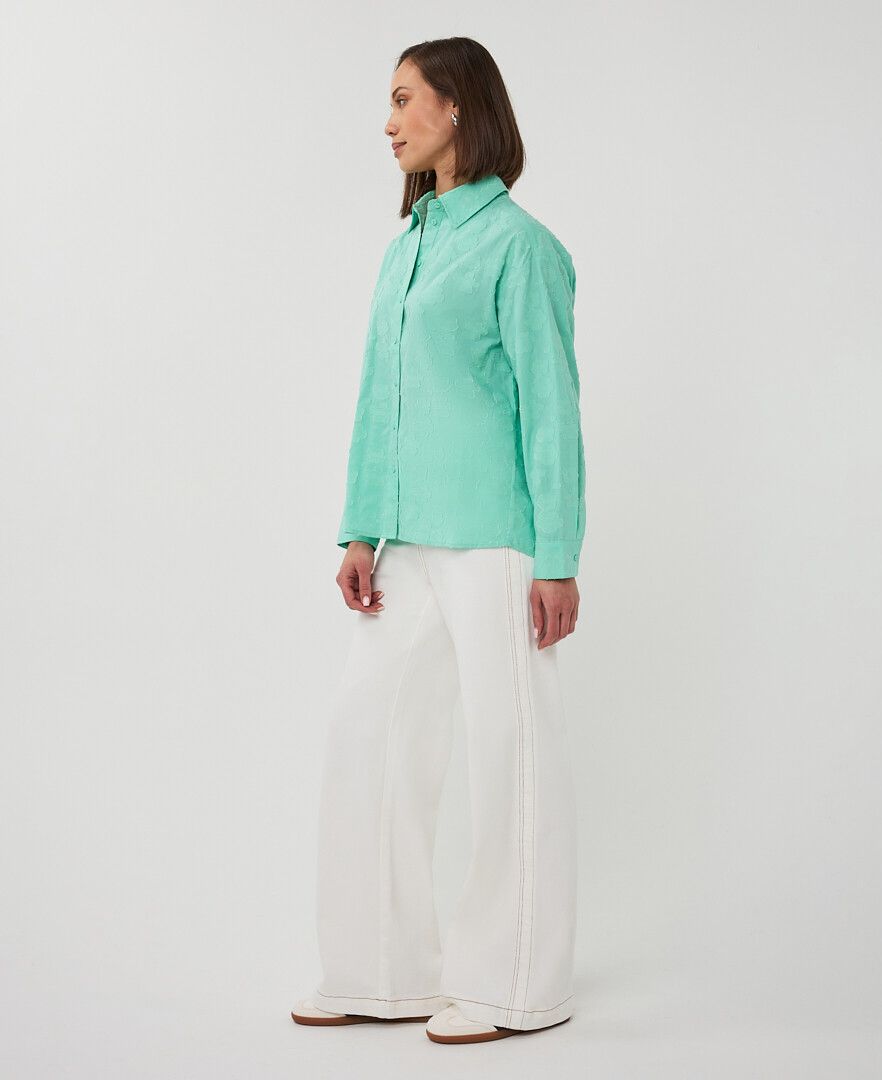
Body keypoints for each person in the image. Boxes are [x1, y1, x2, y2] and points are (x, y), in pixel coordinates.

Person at [291, 36, 586, 1045]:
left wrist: (557, 557)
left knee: (510, 753)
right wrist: (359, 529)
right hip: (404, 542)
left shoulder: (520, 247)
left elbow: (552, 411)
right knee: (367, 738)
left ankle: (514, 986)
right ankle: (379, 971)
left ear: (458, 106)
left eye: (403, 99)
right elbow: (379, 399)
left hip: (497, 540)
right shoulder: (405, 248)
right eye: (388, 102)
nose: (387, 123)